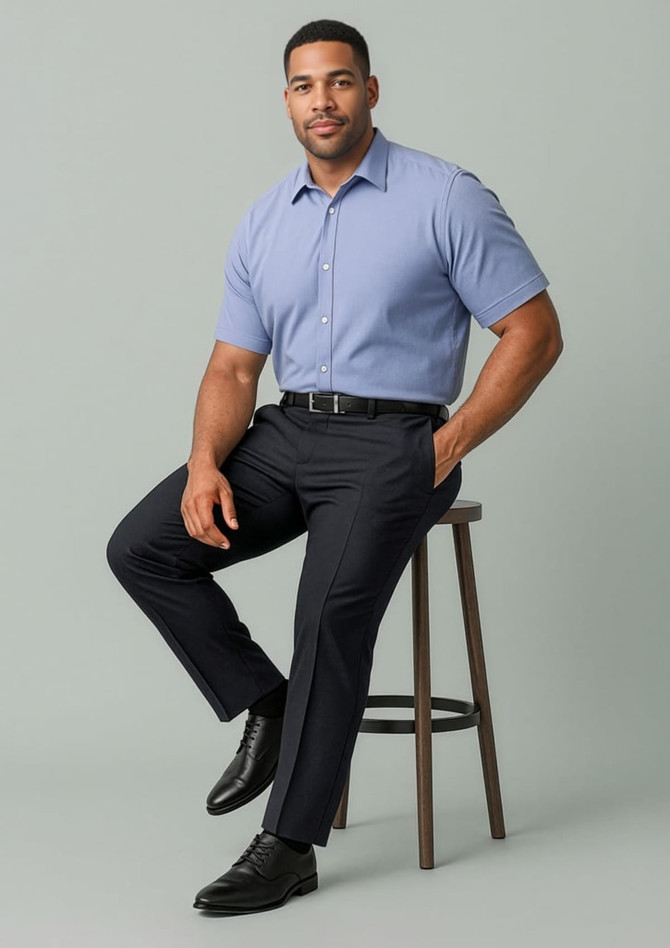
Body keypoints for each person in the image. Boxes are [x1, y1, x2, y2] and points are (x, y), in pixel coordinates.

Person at [106, 17, 563, 916]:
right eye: (304, 85)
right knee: (142, 548)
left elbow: (534, 332)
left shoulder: (446, 196)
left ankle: (289, 845)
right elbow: (233, 369)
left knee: (327, 618)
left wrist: (447, 446)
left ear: (370, 91)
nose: (323, 100)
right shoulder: (264, 219)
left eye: (340, 81)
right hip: (285, 433)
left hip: (395, 442)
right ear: (287, 102)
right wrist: (204, 463)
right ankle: (268, 703)